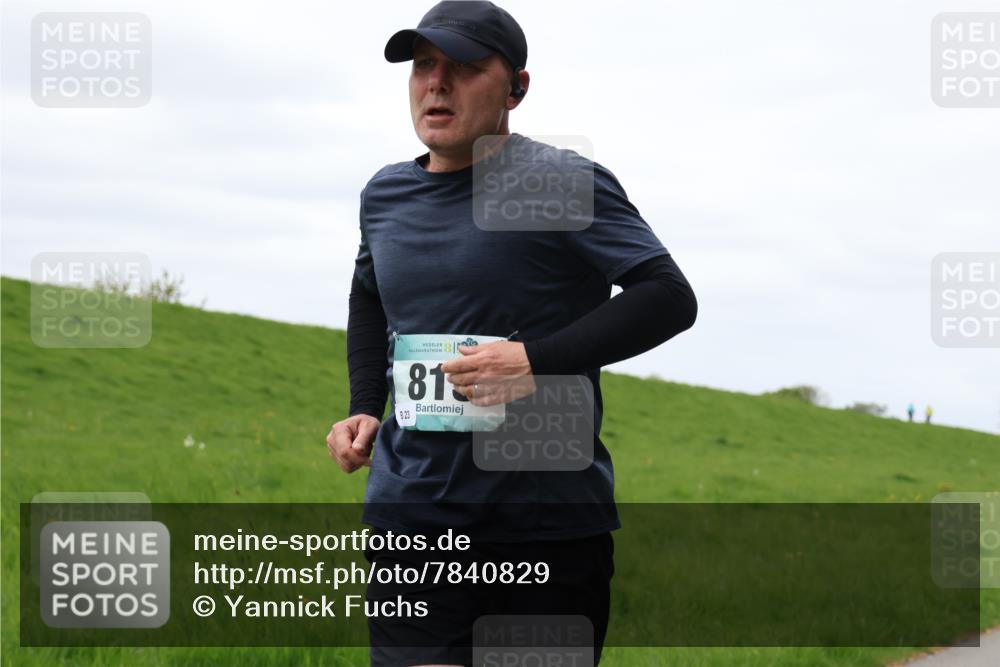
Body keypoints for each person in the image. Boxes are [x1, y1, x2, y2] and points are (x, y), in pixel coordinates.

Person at [325, 2, 697, 665]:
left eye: (465, 67)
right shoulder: (383, 196)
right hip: (411, 517)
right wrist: (363, 404)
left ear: (516, 88)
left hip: (542, 526)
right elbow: (369, 296)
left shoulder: (555, 180)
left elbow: (666, 295)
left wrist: (535, 361)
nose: (437, 83)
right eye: (423, 66)